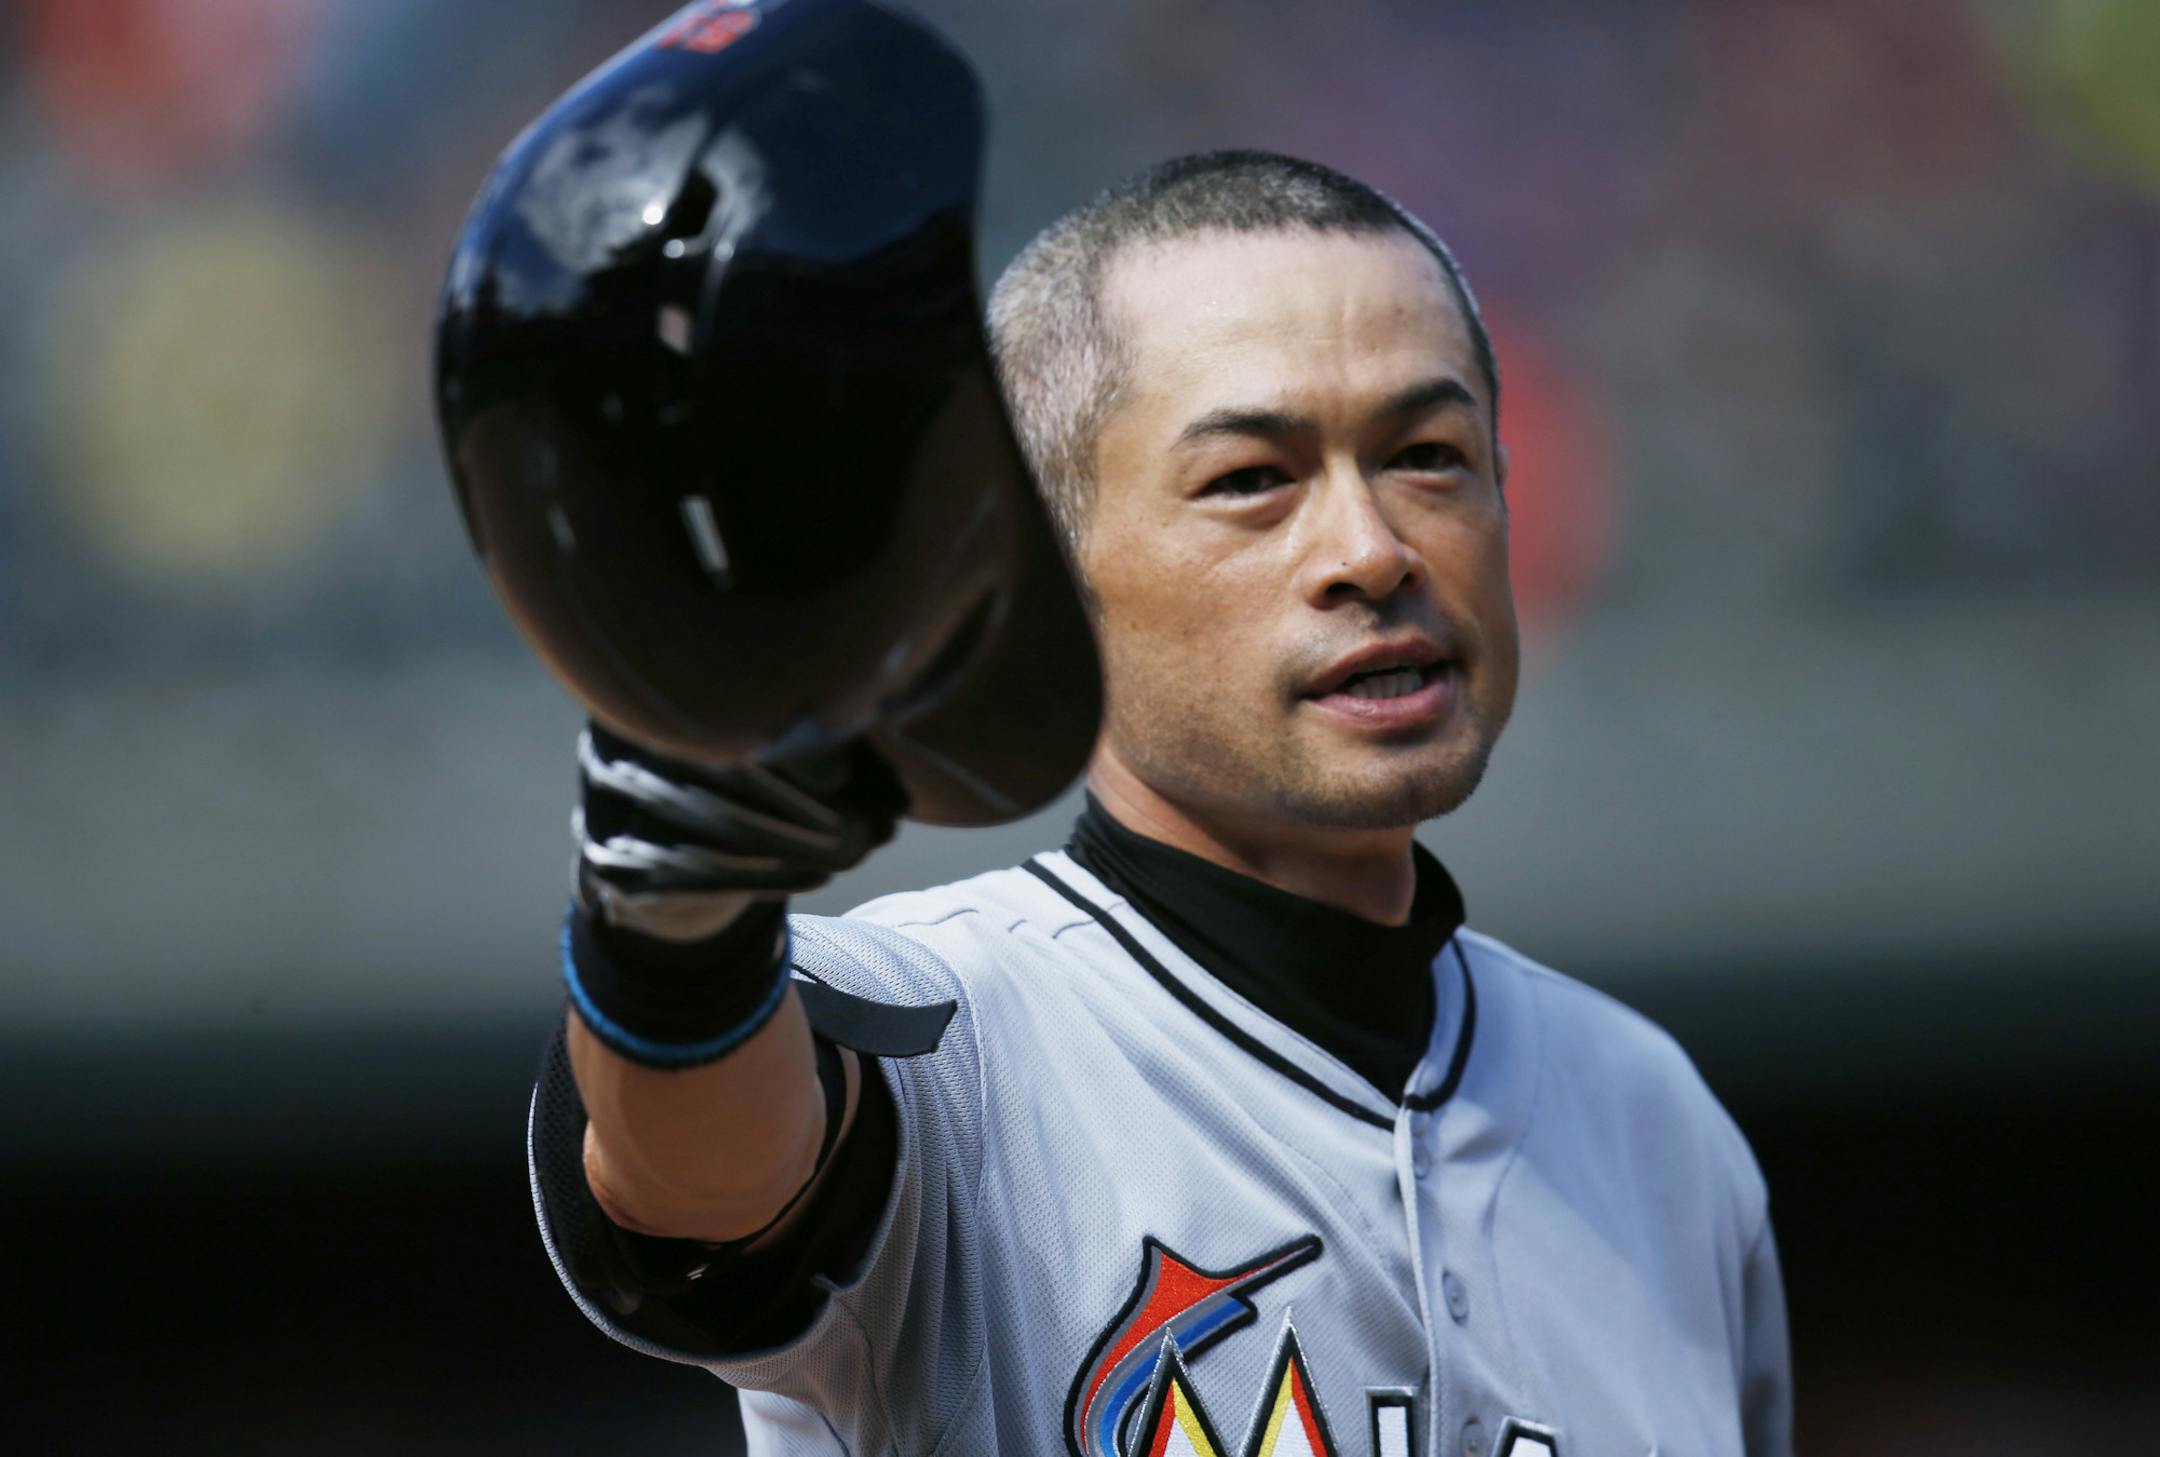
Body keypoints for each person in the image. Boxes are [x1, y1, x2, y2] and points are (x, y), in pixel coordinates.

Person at [530, 151, 1793, 1457]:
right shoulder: (946, 1045)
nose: (1373, 552)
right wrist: (674, 935)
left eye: (1428, 455)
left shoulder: (1659, 1123)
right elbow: (703, 1178)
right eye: (1254, 477)